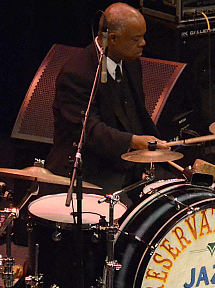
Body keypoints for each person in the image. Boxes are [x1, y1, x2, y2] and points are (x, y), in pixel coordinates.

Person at [45, 2, 170, 193]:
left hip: (127, 165)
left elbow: (134, 114)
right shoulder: (77, 73)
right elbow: (89, 131)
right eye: (136, 39)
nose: (143, 43)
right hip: (90, 171)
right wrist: (134, 141)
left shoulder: (130, 63)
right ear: (112, 38)